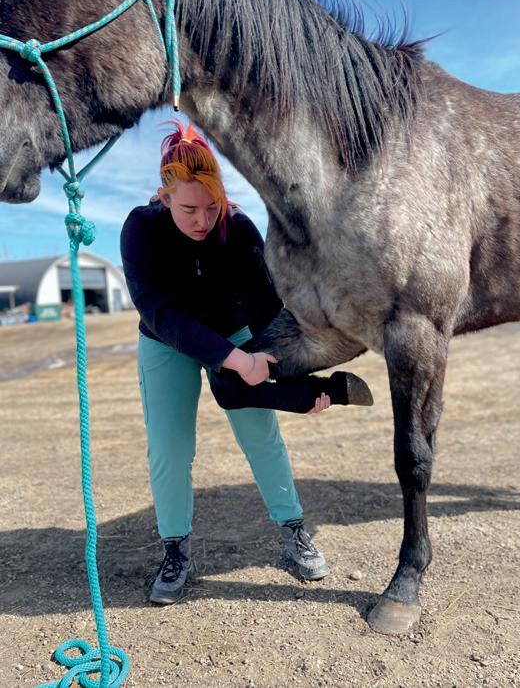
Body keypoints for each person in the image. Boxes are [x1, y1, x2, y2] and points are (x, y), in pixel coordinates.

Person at [120, 122, 373, 604]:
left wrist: (282, 374)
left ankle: (294, 529)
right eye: (188, 209)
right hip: (166, 340)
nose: (202, 220)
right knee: (169, 448)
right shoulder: (141, 228)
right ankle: (175, 549)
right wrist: (234, 359)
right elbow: (158, 310)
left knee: (259, 433)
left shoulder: (236, 228)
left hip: (234, 331)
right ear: (165, 197)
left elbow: (267, 305)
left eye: (211, 207)